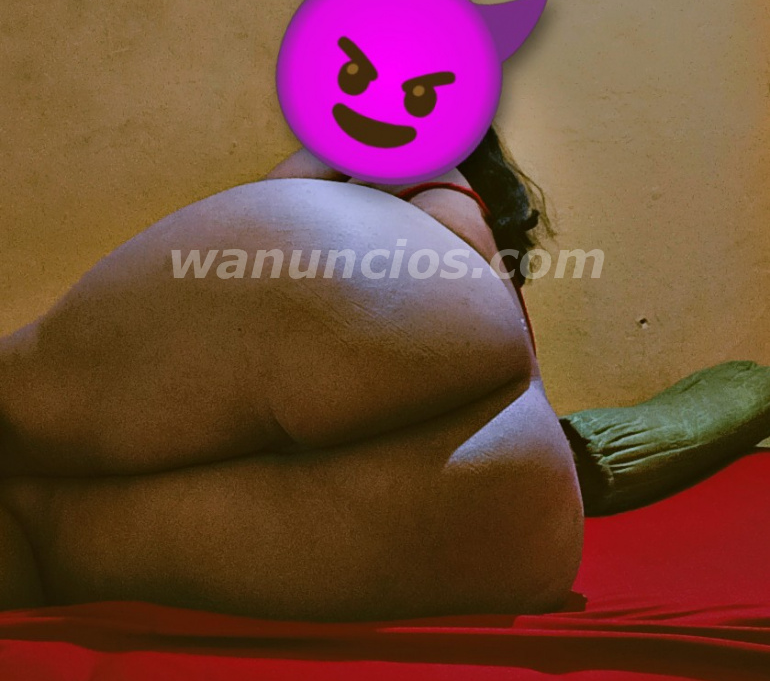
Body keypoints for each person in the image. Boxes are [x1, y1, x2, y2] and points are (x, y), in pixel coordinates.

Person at [0, 127, 584, 621]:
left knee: (20, 435)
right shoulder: (466, 221)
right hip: (528, 538)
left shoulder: (391, 161)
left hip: (372, 275)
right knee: (48, 527)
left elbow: (269, 204)